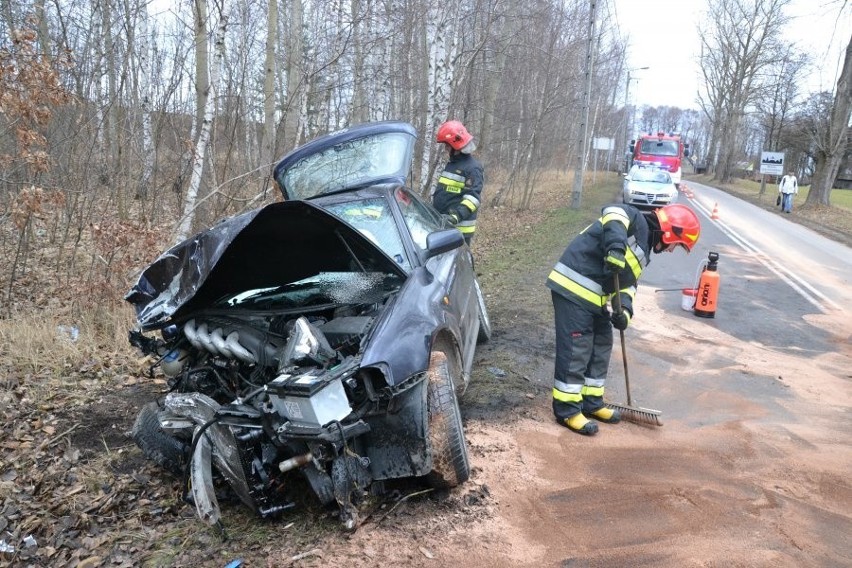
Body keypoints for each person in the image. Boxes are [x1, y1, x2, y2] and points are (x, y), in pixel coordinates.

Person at [546, 203, 701, 436]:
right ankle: (567, 409)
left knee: (602, 344)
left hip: (594, 298)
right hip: (573, 288)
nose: (671, 251)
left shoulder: (644, 249)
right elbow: (612, 211)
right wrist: (615, 248)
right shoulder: (635, 219)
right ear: (671, 232)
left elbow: (628, 284)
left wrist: (624, 310)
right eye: (676, 245)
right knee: (577, 348)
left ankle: (591, 401)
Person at [432, 120, 484, 246]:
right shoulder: (452, 165)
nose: (445, 148)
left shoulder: (472, 168)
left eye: (447, 145)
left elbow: (473, 199)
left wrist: (455, 216)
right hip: (446, 226)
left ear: (456, 145)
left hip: (460, 230)